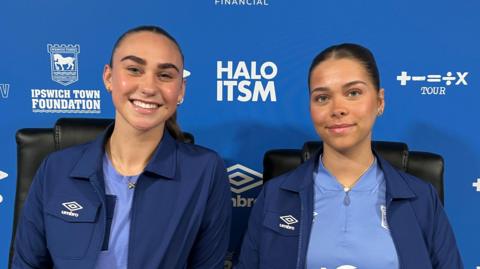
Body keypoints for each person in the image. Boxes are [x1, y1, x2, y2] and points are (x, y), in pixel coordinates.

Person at [12, 25, 231, 269]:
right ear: (109, 78)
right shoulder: (55, 169)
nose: (148, 87)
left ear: (180, 90)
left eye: (165, 75)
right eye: (134, 69)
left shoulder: (204, 171)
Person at [236, 43, 463, 269]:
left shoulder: (421, 199)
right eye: (322, 97)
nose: (338, 108)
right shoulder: (274, 196)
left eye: (353, 93)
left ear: (380, 101)